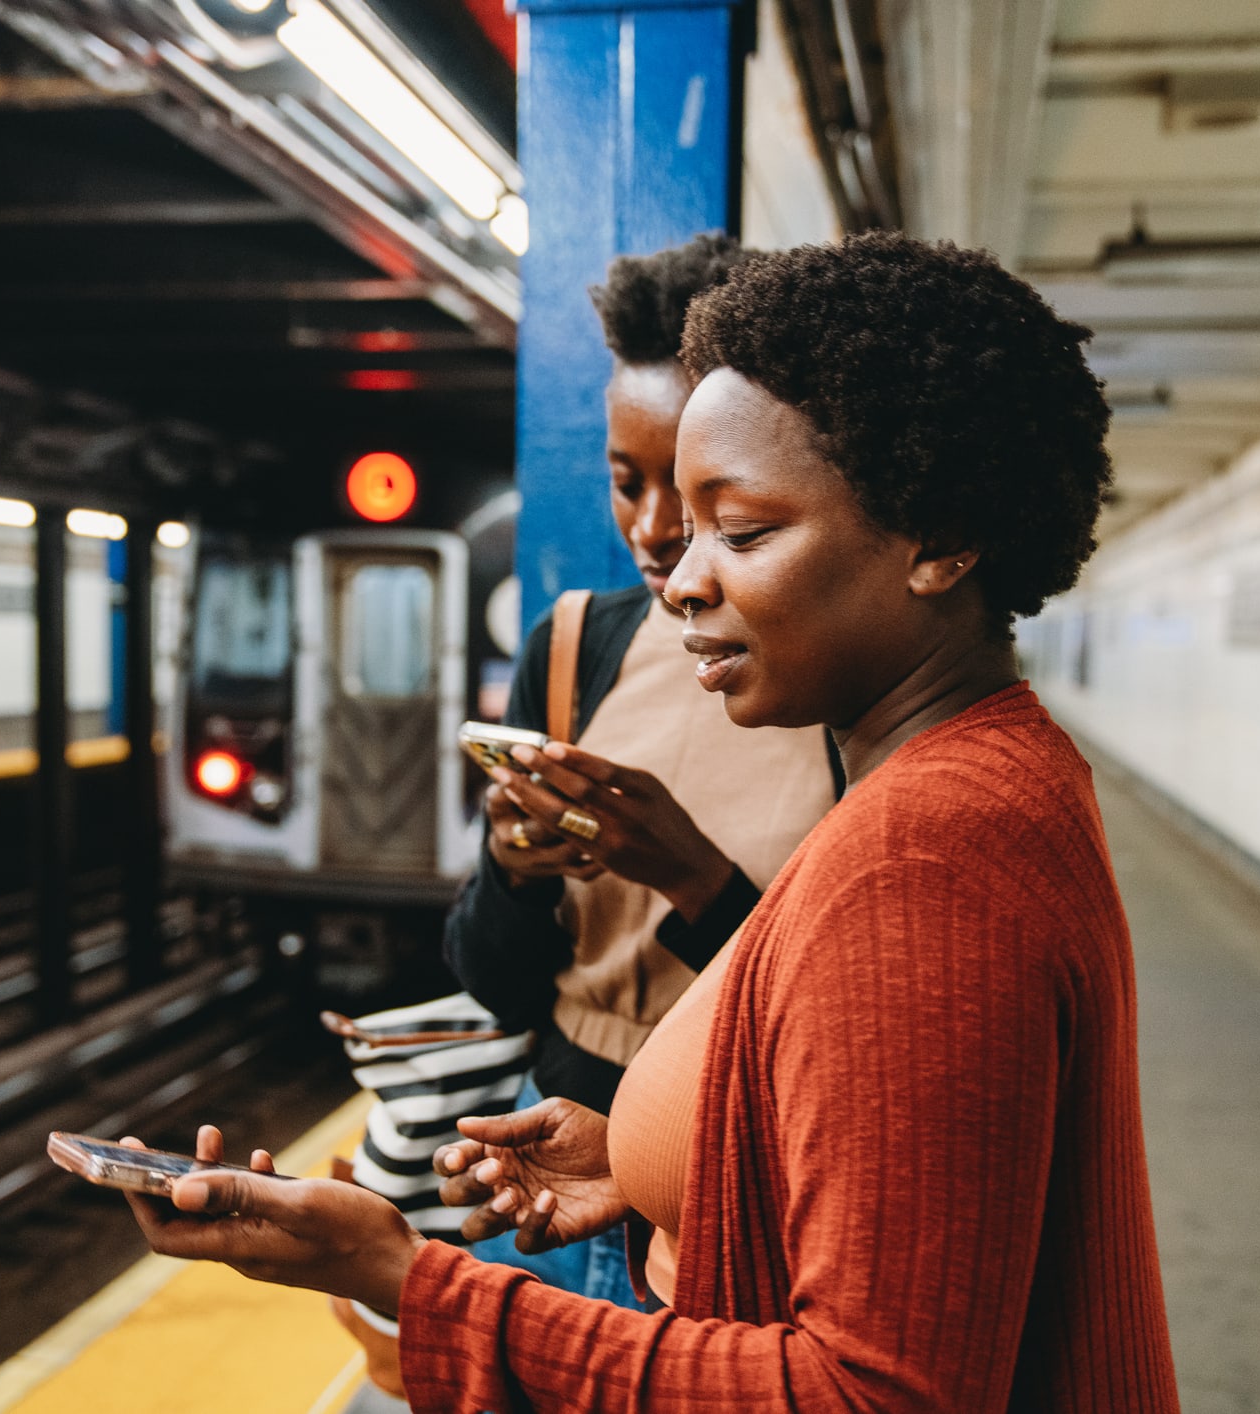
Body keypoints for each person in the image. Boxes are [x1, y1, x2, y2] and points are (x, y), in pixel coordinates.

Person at [114, 234, 1181, 1411]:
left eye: (743, 529)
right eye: (670, 511)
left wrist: (408, 1277)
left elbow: (873, 1395)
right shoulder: (968, 777)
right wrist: (643, 1165)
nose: (678, 576)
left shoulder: (922, 859)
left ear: (938, 539)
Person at [442, 233, 840, 1307]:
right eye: (627, 483)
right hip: (549, 1182)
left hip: (729, 1207)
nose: (657, 530)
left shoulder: (830, 684)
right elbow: (496, 980)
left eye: (707, 494)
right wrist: (514, 869)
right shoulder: (574, 648)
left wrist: (691, 874)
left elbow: (837, 1014)